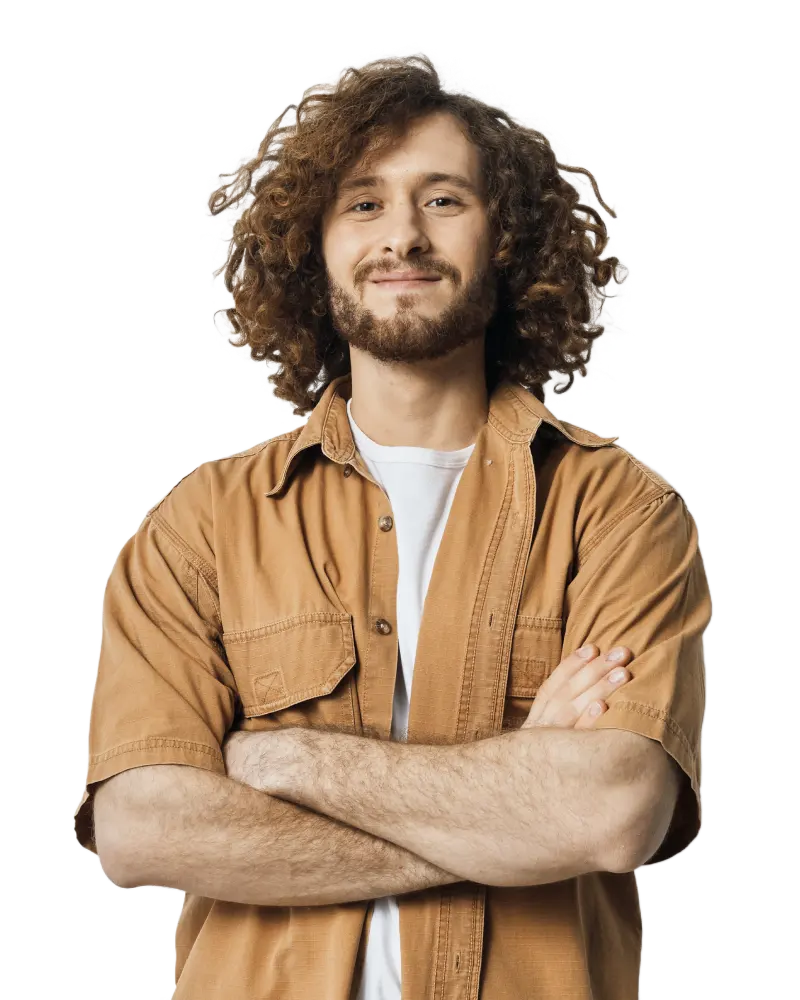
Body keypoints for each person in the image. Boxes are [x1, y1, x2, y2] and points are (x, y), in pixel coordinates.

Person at [73, 52, 711, 1000]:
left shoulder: (617, 511)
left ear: (506, 239)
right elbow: (141, 830)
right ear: (314, 245)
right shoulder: (199, 528)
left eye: (444, 200)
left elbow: (611, 811)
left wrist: (279, 759)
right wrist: (510, 810)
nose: (402, 236)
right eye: (364, 203)